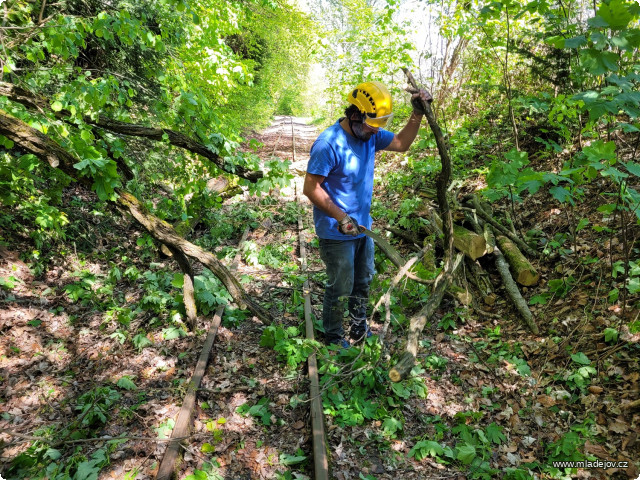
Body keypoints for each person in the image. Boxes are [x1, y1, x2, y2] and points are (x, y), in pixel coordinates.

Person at [303, 81, 432, 347]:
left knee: (363, 280)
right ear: (355, 114)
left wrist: (417, 113)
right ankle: (335, 337)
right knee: (341, 285)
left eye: (378, 126)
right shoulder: (329, 144)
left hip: (363, 227)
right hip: (336, 229)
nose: (375, 131)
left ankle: (359, 328)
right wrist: (342, 217)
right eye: (371, 125)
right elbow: (310, 188)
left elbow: (401, 142)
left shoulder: (370, 134)